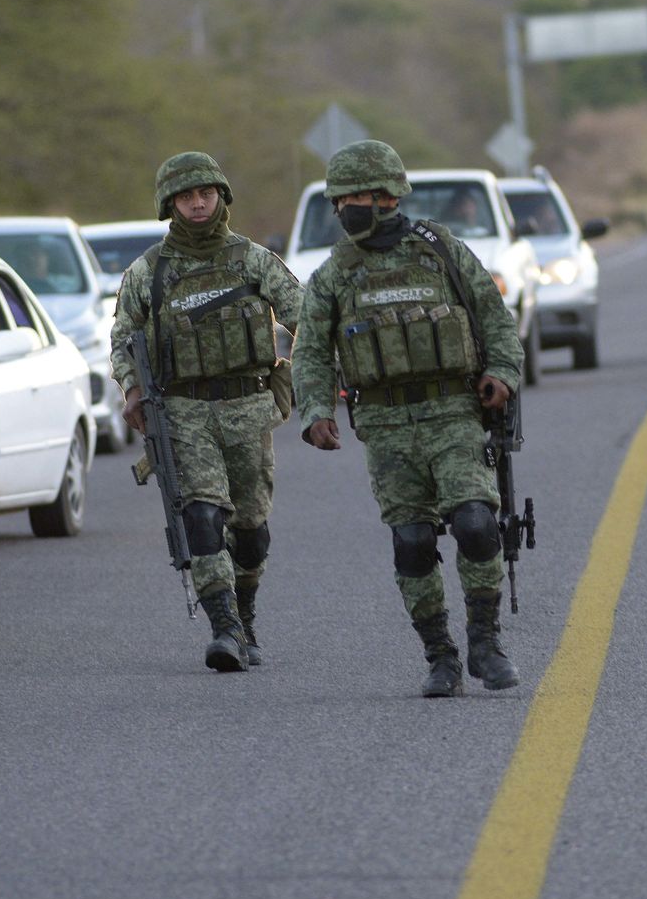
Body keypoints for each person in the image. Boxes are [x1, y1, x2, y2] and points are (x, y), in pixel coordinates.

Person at [291, 139, 524, 698]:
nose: (346, 207)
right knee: (413, 541)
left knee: (475, 523)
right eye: (338, 198)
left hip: (453, 413)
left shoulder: (441, 250)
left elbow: (495, 320)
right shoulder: (335, 274)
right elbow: (311, 352)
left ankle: (486, 644)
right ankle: (439, 656)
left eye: (356, 196)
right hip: (386, 424)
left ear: (387, 196)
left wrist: (504, 375)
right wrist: (316, 410)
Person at [110, 151, 303, 672]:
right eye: (186, 197)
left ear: (221, 197)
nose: (197, 204)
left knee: (250, 530)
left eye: (206, 194)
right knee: (202, 515)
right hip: (183, 411)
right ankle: (223, 630)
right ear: (169, 204)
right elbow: (124, 339)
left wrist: (316, 378)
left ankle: (245, 615)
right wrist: (131, 390)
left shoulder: (253, 259)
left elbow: (302, 315)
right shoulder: (148, 272)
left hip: (248, 407)